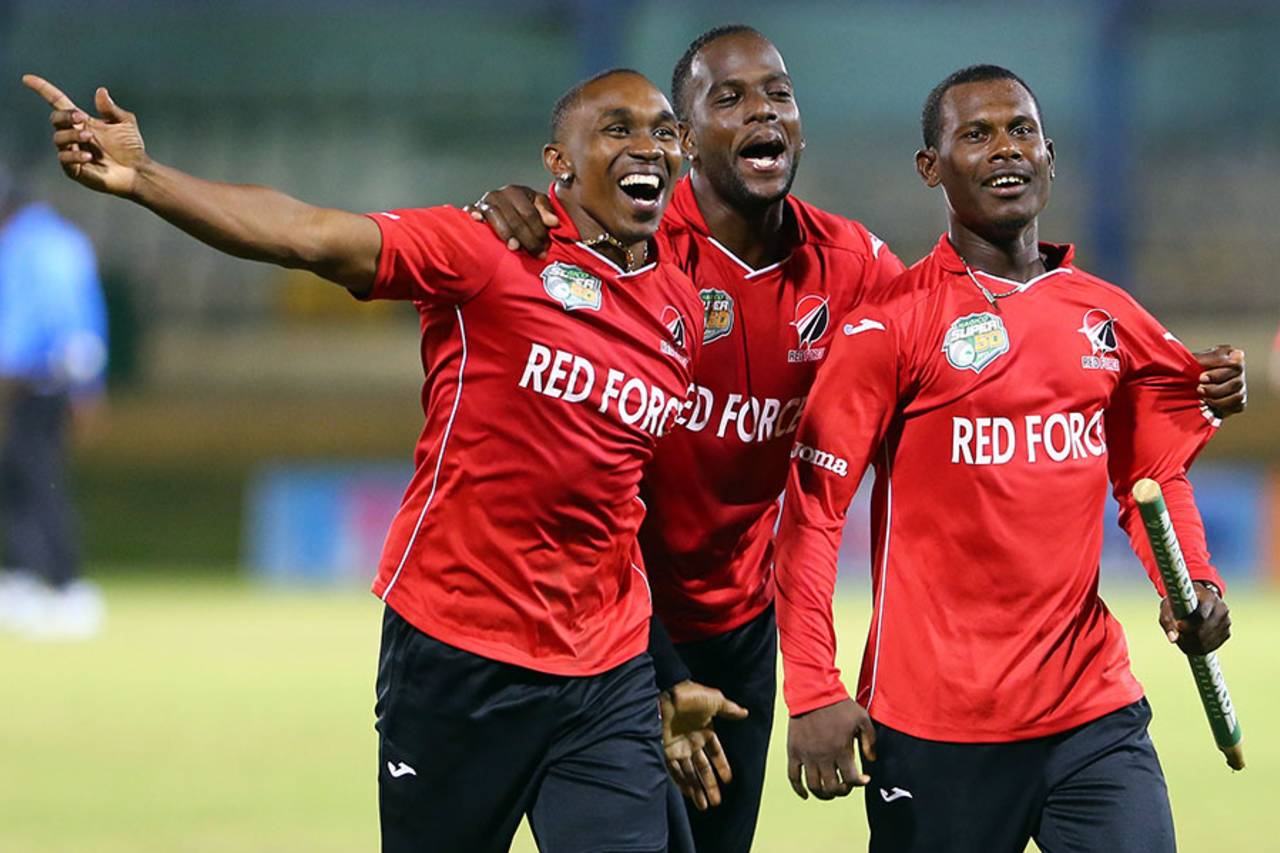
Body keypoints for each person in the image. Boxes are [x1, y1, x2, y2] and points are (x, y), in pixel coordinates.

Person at [465, 27, 1247, 853]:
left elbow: (1116, 433)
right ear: (684, 138)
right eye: (728, 97)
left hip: (743, 624)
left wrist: (1190, 546)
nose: (761, 109)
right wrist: (514, 210)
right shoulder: (635, 246)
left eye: (777, 93)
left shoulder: (864, 276)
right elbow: (816, 506)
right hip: (615, 616)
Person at [25, 68, 703, 853]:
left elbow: (621, 500)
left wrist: (663, 664)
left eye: (660, 130)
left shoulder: (681, 306)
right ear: (559, 161)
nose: (645, 144)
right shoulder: (485, 250)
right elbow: (309, 234)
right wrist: (146, 178)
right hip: (460, 654)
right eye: (616, 129)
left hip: (604, 672)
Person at [773, 64, 1235, 853]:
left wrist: (1193, 586)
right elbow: (811, 517)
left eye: (1021, 130)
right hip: (932, 729)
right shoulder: (889, 326)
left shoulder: (1109, 316)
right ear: (932, 167)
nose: (1004, 149)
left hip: (1090, 714)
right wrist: (814, 686)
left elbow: (1154, 479)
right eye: (976, 135)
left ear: (1050, 155)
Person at [0, 162, 108, 640]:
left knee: (34, 481)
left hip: (27, 378)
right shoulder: (68, 240)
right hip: (65, 376)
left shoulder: (19, 246)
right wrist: (90, 387)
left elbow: (21, 319)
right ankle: (28, 577)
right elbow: (86, 316)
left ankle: (63, 586)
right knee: (31, 478)